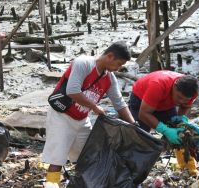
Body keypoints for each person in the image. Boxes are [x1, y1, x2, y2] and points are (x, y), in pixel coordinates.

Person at [42, 41, 135, 185]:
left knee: (87, 156)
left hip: (82, 120)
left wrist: (134, 125)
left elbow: (119, 103)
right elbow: (72, 91)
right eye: (119, 63)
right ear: (110, 56)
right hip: (61, 117)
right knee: (57, 159)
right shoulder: (83, 63)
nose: (119, 68)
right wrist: (95, 107)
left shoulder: (109, 78)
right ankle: (51, 184)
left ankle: (80, 184)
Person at [128, 70, 199, 176]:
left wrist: (181, 120)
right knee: (140, 138)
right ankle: (133, 172)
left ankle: (188, 170)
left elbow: (186, 106)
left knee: (182, 134)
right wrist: (165, 130)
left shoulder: (193, 91)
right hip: (141, 100)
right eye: (179, 97)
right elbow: (143, 114)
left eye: (185, 99)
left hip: (166, 102)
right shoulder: (157, 85)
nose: (180, 102)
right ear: (174, 86)